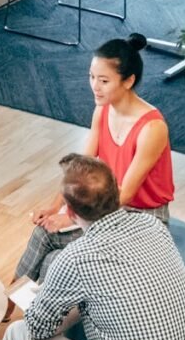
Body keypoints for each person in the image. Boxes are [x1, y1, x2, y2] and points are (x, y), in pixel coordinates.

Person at [0, 154, 185, 340]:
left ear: (70, 214)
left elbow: (38, 328)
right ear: (117, 191)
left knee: (17, 335)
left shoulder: (76, 258)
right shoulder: (154, 226)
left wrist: (59, 304)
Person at [14, 33, 174, 284]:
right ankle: (6, 306)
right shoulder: (102, 110)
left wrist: (73, 215)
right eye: (91, 77)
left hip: (143, 218)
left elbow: (126, 195)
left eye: (104, 80)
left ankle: (37, 317)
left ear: (128, 81)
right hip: (105, 206)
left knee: (57, 261)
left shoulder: (152, 128)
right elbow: (80, 168)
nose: (94, 86)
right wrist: (56, 206)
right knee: (42, 234)